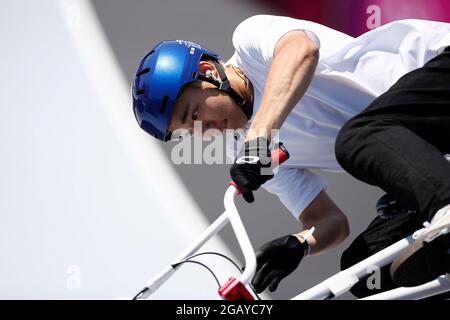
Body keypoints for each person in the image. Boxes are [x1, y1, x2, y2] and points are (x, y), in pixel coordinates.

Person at [132, 14, 450, 296]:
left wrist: (259, 139)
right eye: (190, 132)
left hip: (439, 65)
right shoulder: (240, 147)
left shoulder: (250, 43)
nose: (204, 130)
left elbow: (301, 51)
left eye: (194, 114)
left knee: (354, 138)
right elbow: (329, 221)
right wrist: (299, 245)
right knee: (364, 272)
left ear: (208, 72)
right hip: (436, 144)